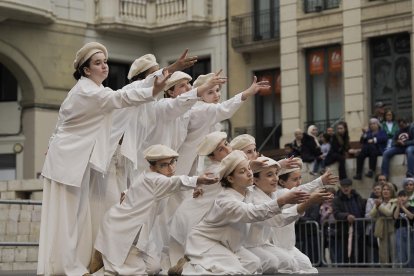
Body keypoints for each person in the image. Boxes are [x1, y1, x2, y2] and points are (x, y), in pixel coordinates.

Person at [37, 42, 170, 276]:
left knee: (78, 217)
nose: (104, 66)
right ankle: (66, 268)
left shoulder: (91, 90)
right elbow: (120, 98)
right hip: (67, 163)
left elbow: (61, 123)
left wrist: (51, 144)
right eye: (98, 63)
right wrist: (153, 89)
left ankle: (74, 266)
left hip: (73, 161)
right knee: (68, 219)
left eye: (105, 62)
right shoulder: (87, 91)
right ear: (86, 70)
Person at [171, 150, 309, 275]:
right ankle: (189, 268)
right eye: (243, 171)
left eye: (249, 169)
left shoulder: (246, 190)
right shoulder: (226, 200)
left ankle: (193, 266)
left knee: (254, 263)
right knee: (235, 271)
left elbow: (252, 173)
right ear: (230, 179)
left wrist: (278, 165)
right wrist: (282, 201)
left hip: (229, 245)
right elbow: (252, 213)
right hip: (207, 243)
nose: (249, 173)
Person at [93, 144, 218, 275]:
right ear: (152, 166)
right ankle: (102, 260)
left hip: (136, 229)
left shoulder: (150, 176)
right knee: (134, 272)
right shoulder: (156, 180)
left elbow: (168, 187)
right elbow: (175, 183)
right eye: (163, 165)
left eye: (172, 162)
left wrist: (195, 187)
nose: (170, 168)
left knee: (154, 268)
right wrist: (199, 180)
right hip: (122, 230)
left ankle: (108, 255)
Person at [244, 156, 332, 274]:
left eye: (276, 174)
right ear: (255, 180)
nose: (275, 178)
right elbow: (279, 220)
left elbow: (300, 190)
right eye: (270, 175)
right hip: (252, 247)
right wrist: (309, 200)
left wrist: (319, 182)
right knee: (280, 263)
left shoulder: (274, 193)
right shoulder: (252, 196)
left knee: (307, 267)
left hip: (276, 247)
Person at [175, 74, 269, 176]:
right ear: (200, 95)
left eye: (217, 90)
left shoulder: (206, 109)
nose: (216, 95)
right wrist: (247, 93)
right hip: (186, 159)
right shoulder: (200, 109)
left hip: (197, 159)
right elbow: (224, 109)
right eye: (210, 92)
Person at [168, 131, 232, 266]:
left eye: (226, 144)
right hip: (192, 219)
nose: (227, 149)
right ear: (213, 156)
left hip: (200, 217)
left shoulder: (222, 167)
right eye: (221, 149)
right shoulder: (218, 170)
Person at [270, 158, 338, 273]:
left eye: (300, 178)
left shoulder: (286, 193)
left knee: (309, 268)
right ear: (281, 182)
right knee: (292, 268)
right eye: (295, 179)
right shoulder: (280, 194)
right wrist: (319, 182)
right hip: (276, 249)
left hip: (289, 247)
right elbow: (301, 192)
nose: (299, 182)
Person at [332, 178, 366, 264]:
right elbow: (336, 213)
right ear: (340, 187)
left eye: (347, 186)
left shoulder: (357, 197)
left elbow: (362, 209)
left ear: (351, 187)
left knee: (360, 254)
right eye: (343, 186)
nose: (345, 188)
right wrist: (346, 216)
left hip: (359, 229)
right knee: (347, 254)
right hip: (345, 231)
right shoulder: (337, 199)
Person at [370, 182, 397, 264]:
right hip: (381, 230)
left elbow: (389, 213)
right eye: (384, 189)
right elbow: (371, 214)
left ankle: (395, 270)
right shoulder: (379, 201)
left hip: (392, 229)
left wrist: (379, 206)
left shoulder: (394, 201)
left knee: (393, 251)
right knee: (383, 252)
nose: (385, 191)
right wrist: (377, 206)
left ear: (391, 191)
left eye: (388, 189)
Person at [393, 190, 414, 267]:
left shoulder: (411, 207)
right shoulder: (396, 208)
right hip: (399, 230)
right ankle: (403, 268)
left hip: (409, 230)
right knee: (401, 250)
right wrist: (399, 206)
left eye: (404, 196)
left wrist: (403, 207)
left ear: (407, 198)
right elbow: (395, 216)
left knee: (410, 250)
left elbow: (411, 216)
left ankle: (411, 268)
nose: (402, 198)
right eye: (400, 196)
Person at [364, 182, 382, 263]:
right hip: (372, 229)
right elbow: (368, 216)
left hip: (383, 230)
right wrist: (376, 207)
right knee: (373, 253)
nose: (377, 191)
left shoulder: (386, 199)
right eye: (375, 189)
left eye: (378, 189)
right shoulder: (370, 201)